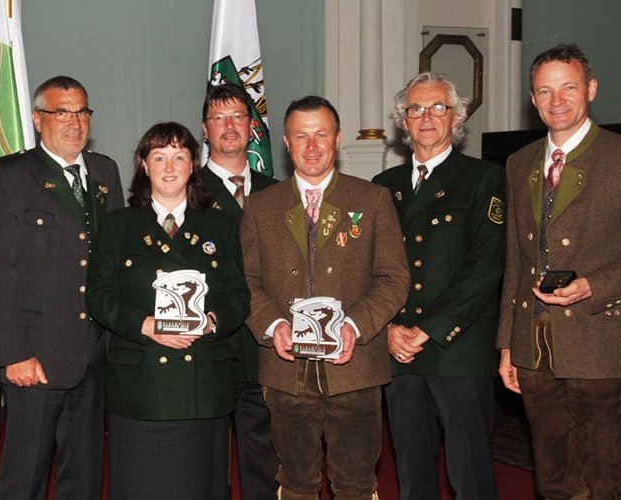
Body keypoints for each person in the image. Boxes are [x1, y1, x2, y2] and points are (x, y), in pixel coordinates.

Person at [497, 43, 621, 499]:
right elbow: (515, 260)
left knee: (606, 482)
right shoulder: (519, 163)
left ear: (592, 89)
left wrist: (593, 286)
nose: (557, 100)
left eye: (569, 87)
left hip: (602, 342)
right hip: (535, 347)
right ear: (533, 99)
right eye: (545, 91)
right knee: (555, 481)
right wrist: (508, 345)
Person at [240, 96, 409, 500]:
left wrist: (354, 326)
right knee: (296, 484)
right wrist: (273, 325)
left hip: (355, 367)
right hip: (286, 372)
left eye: (321, 135)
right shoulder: (260, 206)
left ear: (337, 138)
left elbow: (394, 278)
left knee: (355, 485)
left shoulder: (372, 199)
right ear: (286, 143)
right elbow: (245, 281)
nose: (312, 146)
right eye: (301, 136)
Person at [87, 122, 250, 500]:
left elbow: (239, 295)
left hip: (202, 385)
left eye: (179, 156)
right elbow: (98, 296)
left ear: (194, 164)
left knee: (200, 487)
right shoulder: (116, 226)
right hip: (142, 384)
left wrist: (212, 321)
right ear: (144, 165)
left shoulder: (221, 225)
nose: (170, 167)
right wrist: (144, 325)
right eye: (159, 157)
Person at [0, 75, 124, 500]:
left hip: (94, 353)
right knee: (24, 478)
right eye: (62, 112)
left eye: (82, 112)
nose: (74, 122)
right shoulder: (11, 175)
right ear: (37, 118)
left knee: (84, 476)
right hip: (35, 356)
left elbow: (114, 260)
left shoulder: (105, 171)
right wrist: (12, 353)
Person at [372, 72, 504, 500]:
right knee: (412, 473)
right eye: (415, 109)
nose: (426, 117)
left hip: (457, 349)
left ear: (456, 118)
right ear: (403, 122)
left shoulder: (484, 178)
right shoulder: (383, 188)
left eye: (437, 108)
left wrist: (428, 329)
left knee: (471, 475)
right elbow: (370, 270)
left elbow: (485, 266)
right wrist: (388, 329)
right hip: (399, 351)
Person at [200, 82, 280, 499]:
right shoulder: (186, 190)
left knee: (265, 463)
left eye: (238, 117)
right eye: (219, 118)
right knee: (206, 465)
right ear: (205, 129)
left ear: (252, 127)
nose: (229, 126)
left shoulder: (277, 191)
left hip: (265, 349)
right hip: (209, 347)